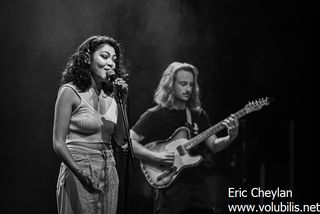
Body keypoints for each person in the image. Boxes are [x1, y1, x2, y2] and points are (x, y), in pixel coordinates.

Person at [130, 62, 239, 214]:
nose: (188, 89)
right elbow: (128, 141)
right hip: (170, 190)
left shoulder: (199, 115)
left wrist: (230, 137)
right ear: (170, 84)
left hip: (198, 189)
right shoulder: (155, 115)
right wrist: (155, 156)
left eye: (191, 84)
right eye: (183, 84)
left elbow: (214, 145)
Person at [53, 35, 128, 214]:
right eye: (104, 56)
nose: (111, 63)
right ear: (87, 58)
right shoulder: (70, 92)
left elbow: (120, 139)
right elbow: (58, 142)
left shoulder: (112, 97)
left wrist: (121, 100)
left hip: (108, 169)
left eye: (114, 59)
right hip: (79, 167)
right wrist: (79, 172)